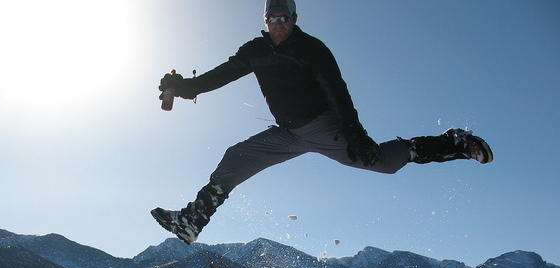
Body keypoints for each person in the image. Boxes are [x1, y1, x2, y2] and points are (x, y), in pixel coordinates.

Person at [151, 0, 493, 244]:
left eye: (286, 16)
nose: (280, 22)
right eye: (273, 16)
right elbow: (219, 76)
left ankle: (454, 143)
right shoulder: (254, 50)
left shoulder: (312, 49)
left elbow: (337, 92)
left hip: (323, 126)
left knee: (383, 162)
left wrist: (354, 133)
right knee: (235, 157)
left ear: (295, 19)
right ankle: (192, 220)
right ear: (266, 19)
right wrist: (182, 87)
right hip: (287, 133)